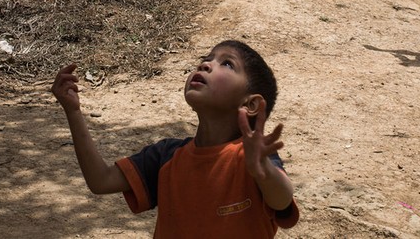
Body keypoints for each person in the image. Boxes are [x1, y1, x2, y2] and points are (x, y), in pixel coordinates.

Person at [51, 40, 299, 237]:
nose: (205, 65)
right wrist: (73, 111)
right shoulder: (167, 156)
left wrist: (263, 169)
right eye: (206, 59)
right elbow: (101, 181)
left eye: (227, 64)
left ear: (251, 103)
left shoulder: (252, 159)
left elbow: (281, 200)